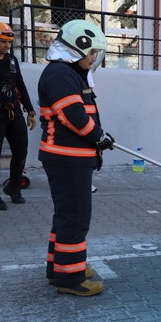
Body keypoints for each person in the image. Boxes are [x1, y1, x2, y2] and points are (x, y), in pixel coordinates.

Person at [38, 19, 115, 296]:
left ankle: (60, 266)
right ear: (78, 47)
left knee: (66, 215)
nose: (94, 58)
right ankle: (70, 278)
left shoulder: (68, 72)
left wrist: (99, 136)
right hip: (66, 158)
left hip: (69, 157)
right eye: (92, 52)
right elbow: (72, 116)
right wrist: (98, 137)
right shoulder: (60, 74)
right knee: (75, 217)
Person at [0, 22, 36, 210]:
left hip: (13, 112)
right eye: (3, 41)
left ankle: (14, 187)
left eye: (9, 42)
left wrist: (30, 110)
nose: (7, 45)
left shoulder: (12, 61)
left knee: (21, 150)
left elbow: (20, 85)